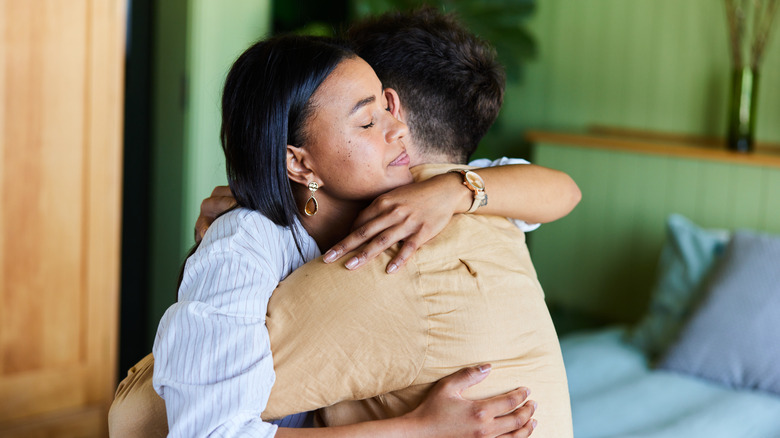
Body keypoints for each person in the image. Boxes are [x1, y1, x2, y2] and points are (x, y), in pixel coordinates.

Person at [109, 8, 579, 437]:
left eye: (386, 108)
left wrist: (454, 190)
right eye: (367, 120)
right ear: (301, 165)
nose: (398, 130)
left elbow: (561, 190)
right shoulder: (242, 246)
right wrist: (419, 430)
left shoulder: (415, 189)